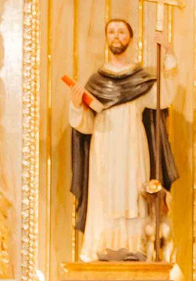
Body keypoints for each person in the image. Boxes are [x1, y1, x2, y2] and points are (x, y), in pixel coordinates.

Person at [62, 16, 176, 264]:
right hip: (103, 144)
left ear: (131, 38)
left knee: (133, 192)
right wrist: (76, 105)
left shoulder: (140, 79)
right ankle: (102, 246)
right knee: (104, 193)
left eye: (122, 32)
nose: (116, 36)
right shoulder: (96, 81)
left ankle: (135, 247)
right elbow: (86, 125)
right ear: (106, 38)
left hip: (133, 145)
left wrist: (167, 53)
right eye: (112, 32)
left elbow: (164, 97)